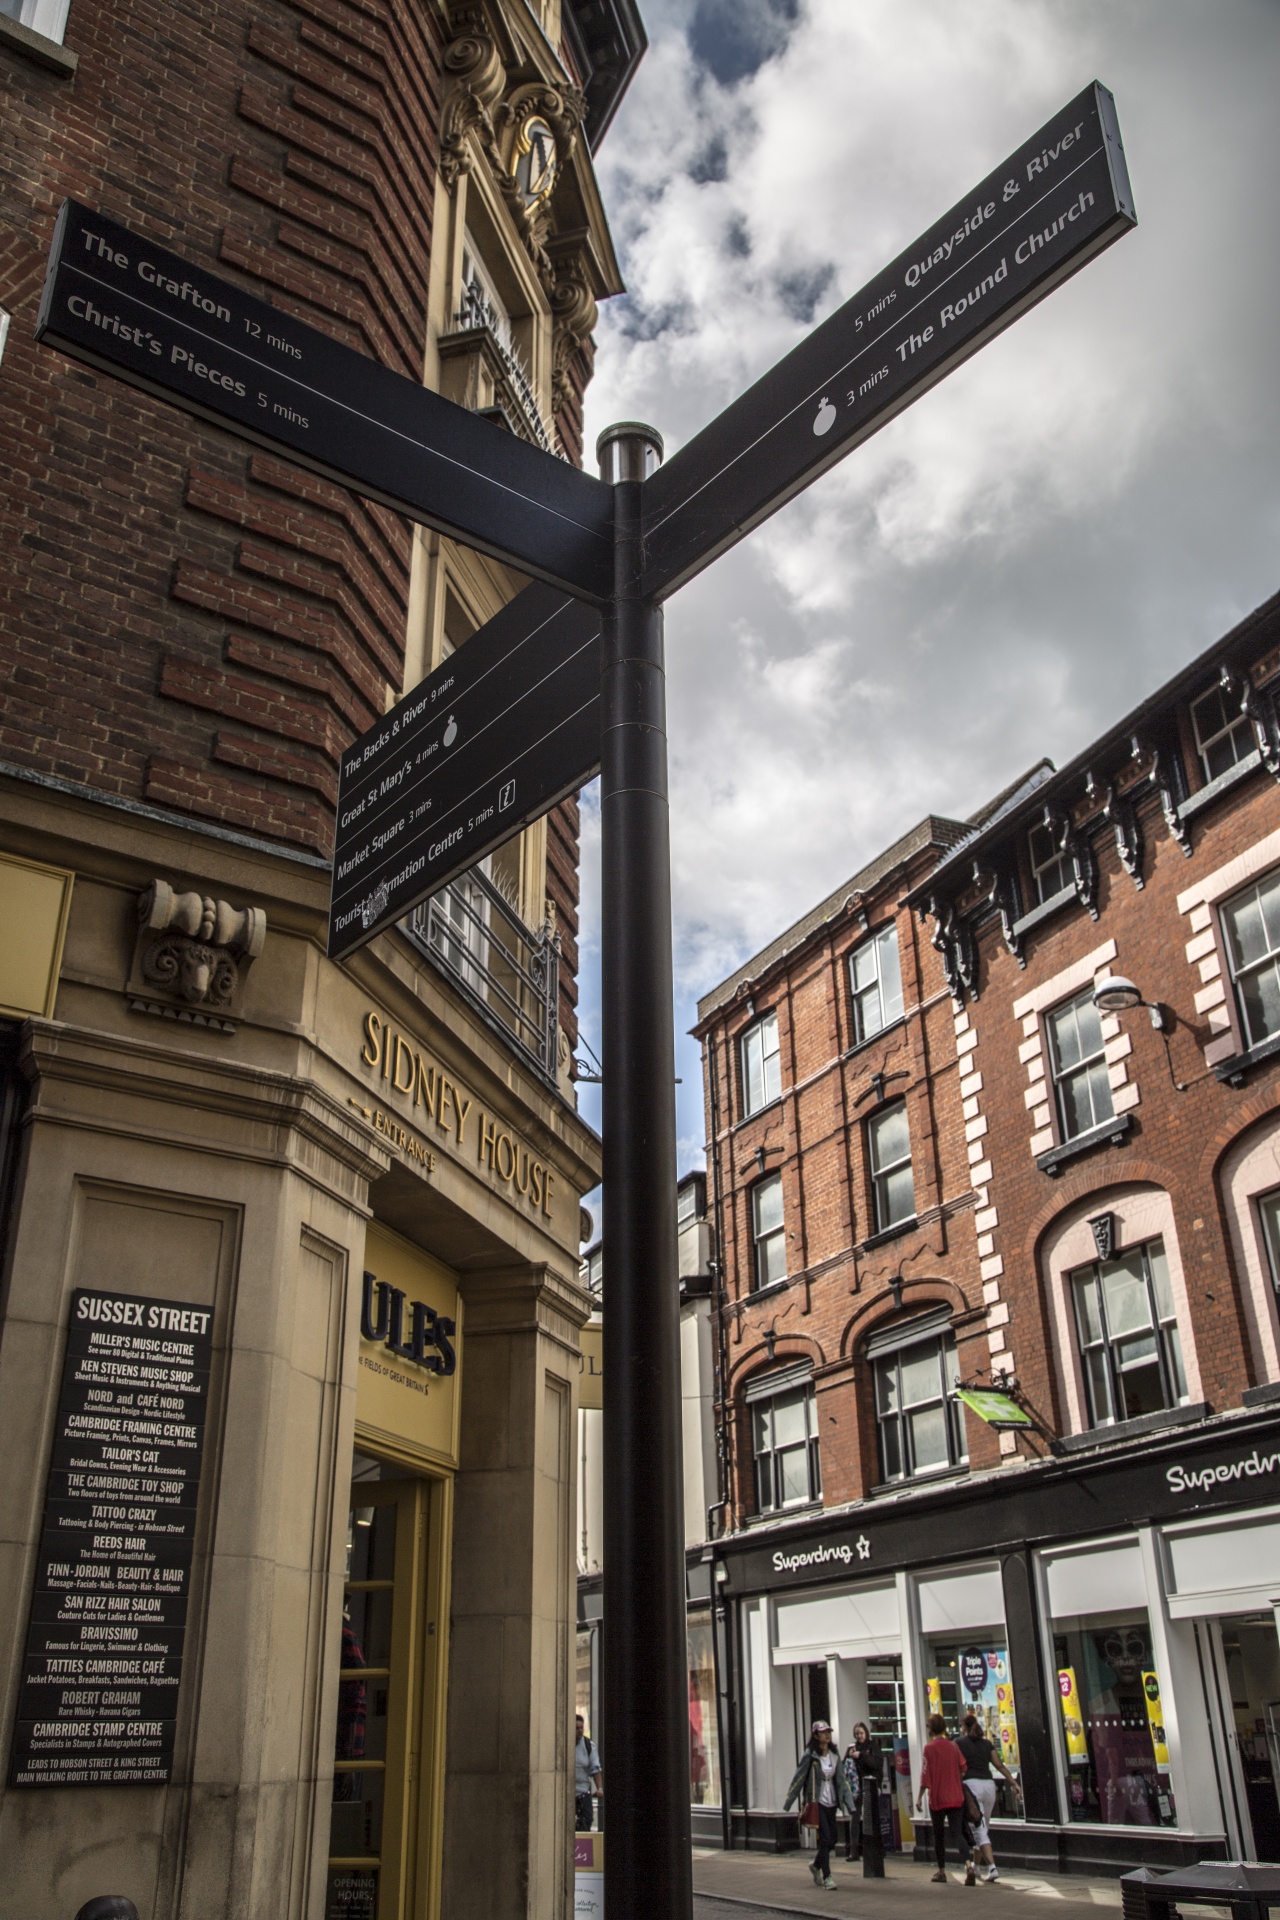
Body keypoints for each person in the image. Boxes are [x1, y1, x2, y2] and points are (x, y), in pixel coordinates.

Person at [784, 1719, 855, 1891]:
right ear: (816, 1735)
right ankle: (827, 1877)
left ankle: (816, 1865)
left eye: (828, 1732)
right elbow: (799, 1777)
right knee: (825, 1838)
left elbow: (842, 1781)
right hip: (818, 1801)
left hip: (832, 1800)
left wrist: (850, 1804)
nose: (827, 1735)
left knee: (832, 1840)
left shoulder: (834, 1755)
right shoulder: (810, 1755)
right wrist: (789, 1801)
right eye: (823, 1732)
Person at [955, 1712, 1021, 1883]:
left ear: (964, 1727)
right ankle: (977, 1868)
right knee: (982, 1828)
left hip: (972, 1787)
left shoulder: (959, 1743)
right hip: (989, 1786)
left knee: (978, 1829)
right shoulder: (987, 1744)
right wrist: (1014, 1783)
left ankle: (992, 1867)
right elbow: (998, 1765)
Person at [916, 1713, 971, 1884]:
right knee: (957, 1833)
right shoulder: (953, 1746)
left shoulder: (929, 1748)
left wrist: (919, 1798)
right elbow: (964, 1768)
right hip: (956, 1796)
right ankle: (968, 1865)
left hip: (938, 1798)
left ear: (931, 1729)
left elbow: (925, 1777)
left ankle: (941, 1871)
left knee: (938, 1835)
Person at [843, 1723, 881, 1863]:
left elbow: (876, 1764)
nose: (859, 1736)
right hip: (856, 1789)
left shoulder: (872, 1747)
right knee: (855, 1818)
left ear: (866, 1733)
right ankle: (854, 1851)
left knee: (871, 1818)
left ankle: (876, 1850)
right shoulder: (851, 1748)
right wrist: (850, 1756)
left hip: (870, 1786)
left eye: (861, 1733)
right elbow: (843, 1766)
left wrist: (861, 1756)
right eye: (857, 1733)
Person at [574, 1713, 602, 1832]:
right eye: (577, 1728)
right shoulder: (564, 1744)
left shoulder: (588, 1746)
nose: (580, 1731)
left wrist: (599, 1788)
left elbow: (595, 1769)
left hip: (583, 1792)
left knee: (586, 1821)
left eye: (581, 1728)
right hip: (568, 1792)